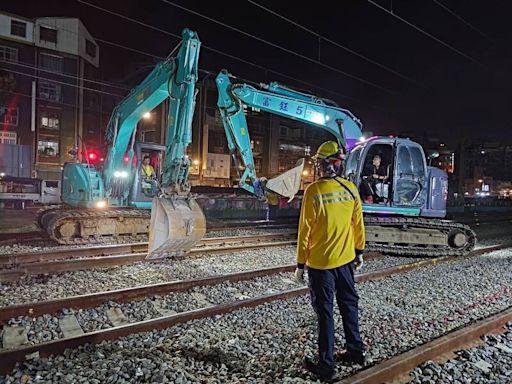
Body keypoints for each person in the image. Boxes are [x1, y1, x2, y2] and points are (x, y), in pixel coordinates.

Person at [294, 140, 366, 381]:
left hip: (320, 266)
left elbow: (305, 231)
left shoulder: (314, 192)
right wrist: (359, 251)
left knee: (325, 313)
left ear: (323, 165)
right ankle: (356, 352)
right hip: (346, 262)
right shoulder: (350, 189)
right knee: (349, 305)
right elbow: (358, 225)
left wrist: (300, 263)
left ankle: (326, 365)